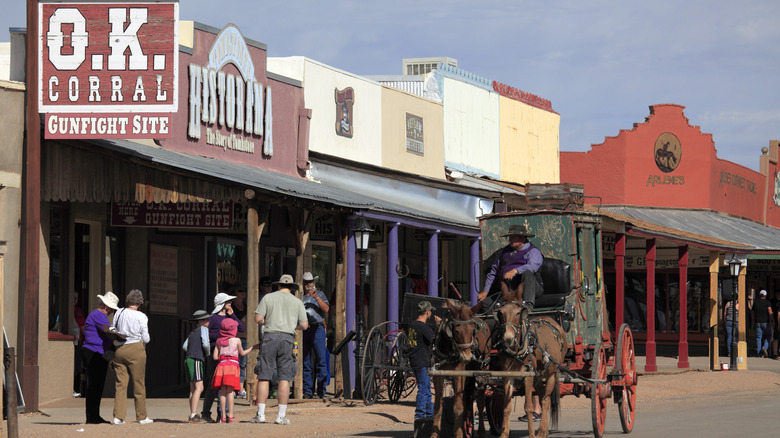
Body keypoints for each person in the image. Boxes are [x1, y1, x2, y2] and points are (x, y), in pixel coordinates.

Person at [250, 274, 308, 425]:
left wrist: (268, 321)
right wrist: (290, 324)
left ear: (278, 285)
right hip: (287, 338)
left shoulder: (268, 298)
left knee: (264, 375)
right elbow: (304, 325)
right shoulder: (297, 301)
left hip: (269, 336)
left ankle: (261, 414)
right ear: (292, 287)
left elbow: (257, 319)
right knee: (285, 377)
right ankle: (281, 416)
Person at [477, 224, 543, 312]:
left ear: (522, 238)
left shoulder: (533, 251)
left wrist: (515, 271)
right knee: (485, 304)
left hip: (530, 288)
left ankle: (528, 307)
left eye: (512, 237)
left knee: (527, 272)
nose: (509, 240)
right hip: (510, 290)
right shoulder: (503, 252)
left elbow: (533, 266)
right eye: (509, 237)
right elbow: (493, 271)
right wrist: (485, 291)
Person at [201, 292, 245, 422]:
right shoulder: (213, 318)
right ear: (221, 304)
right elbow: (208, 334)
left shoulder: (230, 318)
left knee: (226, 385)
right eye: (228, 302)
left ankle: (222, 415)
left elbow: (241, 328)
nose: (230, 303)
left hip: (227, 357)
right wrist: (223, 336)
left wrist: (232, 314)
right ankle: (206, 412)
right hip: (216, 353)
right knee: (213, 385)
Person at [111, 289, 152, 425]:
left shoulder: (119, 312)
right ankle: (141, 416)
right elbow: (146, 338)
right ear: (140, 302)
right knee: (138, 383)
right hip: (136, 348)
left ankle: (118, 416)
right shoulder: (142, 316)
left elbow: (113, 328)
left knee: (120, 384)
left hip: (120, 349)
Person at [80, 291, 119, 424]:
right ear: (106, 306)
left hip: (96, 351)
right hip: (94, 352)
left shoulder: (96, 315)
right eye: (112, 309)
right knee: (95, 385)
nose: (112, 312)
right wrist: (121, 335)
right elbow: (107, 330)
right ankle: (92, 417)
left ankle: (94, 415)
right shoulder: (98, 314)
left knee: (96, 385)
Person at [211, 318, 254, 423]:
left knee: (222, 392)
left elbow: (215, 357)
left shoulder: (219, 341)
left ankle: (223, 416)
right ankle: (231, 416)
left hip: (221, 367)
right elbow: (242, 353)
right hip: (232, 367)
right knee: (230, 392)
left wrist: (224, 357)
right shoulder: (237, 340)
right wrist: (252, 347)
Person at [408, 301, 441, 420]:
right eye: (430, 311)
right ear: (427, 312)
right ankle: (420, 416)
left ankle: (430, 414)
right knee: (423, 389)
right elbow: (435, 340)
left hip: (415, 359)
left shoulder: (413, 325)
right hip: (423, 360)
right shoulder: (423, 327)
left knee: (426, 389)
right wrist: (438, 325)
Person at [301, 272, 330, 399]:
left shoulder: (320, 294)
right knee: (306, 361)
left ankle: (321, 390)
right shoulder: (299, 296)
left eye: (311, 282)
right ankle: (308, 390)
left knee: (321, 360)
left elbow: (326, 309)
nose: (309, 284)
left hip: (317, 328)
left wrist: (316, 298)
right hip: (304, 329)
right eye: (307, 282)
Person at [182, 310, 211, 423]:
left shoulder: (192, 332)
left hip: (188, 358)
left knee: (193, 388)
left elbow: (185, 346)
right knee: (200, 387)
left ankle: (192, 413)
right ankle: (193, 415)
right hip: (196, 359)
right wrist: (207, 353)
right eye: (206, 319)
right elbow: (205, 343)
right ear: (201, 321)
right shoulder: (204, 329)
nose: (208, 321)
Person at [231, 285, 249, 399]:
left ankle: (241, 389)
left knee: (242, 364)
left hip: (245, 337)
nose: (243, 293)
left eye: (244, 291)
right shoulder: (231, 308)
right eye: (240, 290)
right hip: (233, 338)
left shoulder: (247, 307)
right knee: (233, 363)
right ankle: (232, 388)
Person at [750, 289, 774, 357]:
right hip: (766, 322)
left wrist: (753, 320)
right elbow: (770, 311)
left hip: (758, 322)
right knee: (768, 335)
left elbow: (752, 312)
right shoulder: (767, 302)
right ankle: (765, 347)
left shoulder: (756, 302)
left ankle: (758, 352)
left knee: (758, 337)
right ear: (765, 295)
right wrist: (772, 320)